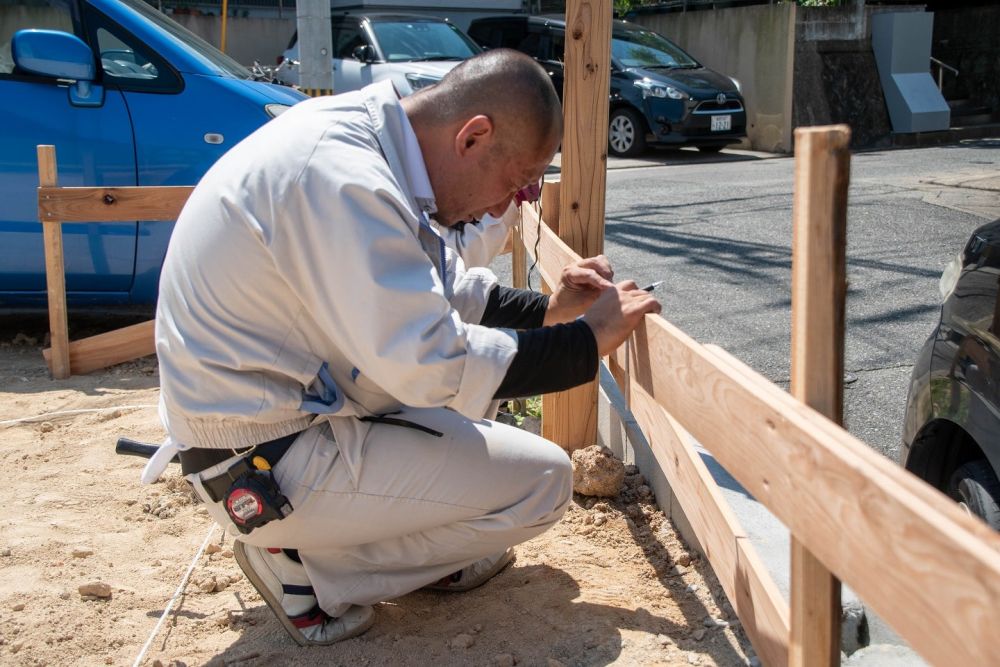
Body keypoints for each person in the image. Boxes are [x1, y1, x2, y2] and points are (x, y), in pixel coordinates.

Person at [148, 48, 661, 646]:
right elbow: (431, 361)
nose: (504, 207)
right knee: (542, 483)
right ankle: (309, 570)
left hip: (276, 418)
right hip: (258, 462)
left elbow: (424, 289)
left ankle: (351, 548)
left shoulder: (368, 140)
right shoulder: (345, 179)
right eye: (515, 184)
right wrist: (587, 339)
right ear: (473, 137)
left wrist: (549, 310)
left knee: (477, 407)